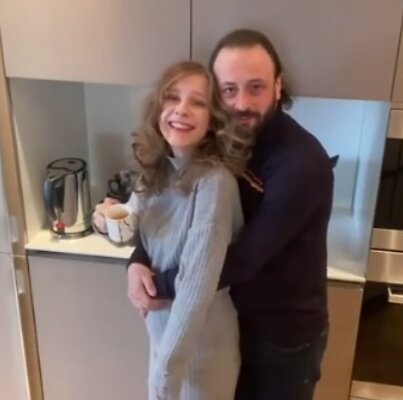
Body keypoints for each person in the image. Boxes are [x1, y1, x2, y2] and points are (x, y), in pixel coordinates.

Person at [125, 29, 335, 400]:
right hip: (233, 317)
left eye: (256, 88)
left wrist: (160, 286)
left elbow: (245, 257)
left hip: (283, 336)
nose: (242, 104)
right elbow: (171, 214)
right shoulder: (223, 142)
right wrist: (137, 259)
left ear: (278, 86)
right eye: (229, 90)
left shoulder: (300, 163)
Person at [95, 60, 252, 400]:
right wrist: (105, 223)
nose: (181, 109)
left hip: (201, 355)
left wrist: (163, 380)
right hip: (163, 343)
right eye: (172, 97)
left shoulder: (214, 183)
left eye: (198, 102)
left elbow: (195, 288)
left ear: (213, 121)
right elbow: (131, 232)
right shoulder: (157, 169)